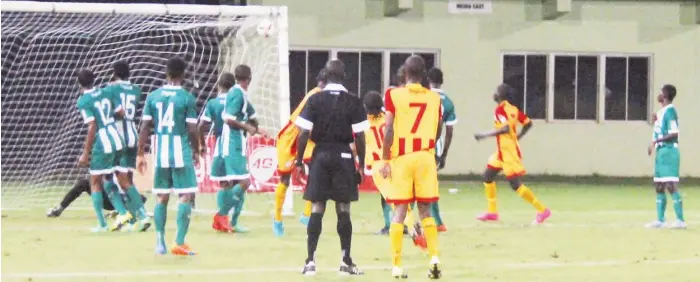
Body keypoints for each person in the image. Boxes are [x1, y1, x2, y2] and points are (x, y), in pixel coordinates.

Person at [295, 60, 366, 276]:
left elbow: (304, 133)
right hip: (344, 156)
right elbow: (360, 137)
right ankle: (346, 261)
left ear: (325, 75)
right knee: (343, 208)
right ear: (344, 75)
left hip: (321, 156)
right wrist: (360, 165)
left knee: (317, 207)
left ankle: (310, 262)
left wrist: (299, 161)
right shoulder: (353, 101)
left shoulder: (315, 99)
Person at [379, 55, 442, 279]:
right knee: (425, 210)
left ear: (404, 72)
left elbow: (388, 129)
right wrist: (431, 148)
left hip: (403, 157)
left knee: (399, 211)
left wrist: (385, 159)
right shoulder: (435, 98)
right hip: (425, 156)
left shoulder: (393, 94)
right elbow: (439, 126)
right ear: (424, 74)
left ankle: (397, 266)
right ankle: (434, 258)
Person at [136, 57, 201, 255]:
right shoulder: (187, 98)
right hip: (180, 151)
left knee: (161, 197)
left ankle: (160, 243)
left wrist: (140, 154)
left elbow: (145, 126)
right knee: (185, 195)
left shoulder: (153, 96)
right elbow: (192, 129)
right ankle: (179, 242)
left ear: (166, 73)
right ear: (183, 74)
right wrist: (196, 150)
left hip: (161, 152)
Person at [474, 84, 551, 224]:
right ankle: (492, 212)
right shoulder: (513, 109)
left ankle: (542, 210)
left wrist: (485, 135)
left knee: (515, 185)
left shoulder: (500, 110)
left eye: (496, 91)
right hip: (502, 152)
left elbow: (505, 129)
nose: (494, 93)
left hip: (508, 152)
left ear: (499, 96)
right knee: (487, 176)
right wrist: (518, 137)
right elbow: (528, 123)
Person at [363, 90, 426, 250]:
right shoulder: (390, 120)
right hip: (396, 161)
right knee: (400, 199)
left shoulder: (364, 125)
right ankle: (407, 226)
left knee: (395, 201)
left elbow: (359, 146)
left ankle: (410, 228)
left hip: (380, 166)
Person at [75, 69, 133, 232]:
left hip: (104, 142)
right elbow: (120, 112)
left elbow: (92, 125)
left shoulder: (83, 101)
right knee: (109, 177)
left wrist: (85, 153)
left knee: (95, 181)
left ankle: (102, 224)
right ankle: (124, 214)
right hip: (117, 138)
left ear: (79, 84)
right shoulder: (106, 92)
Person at [272, 71, 325, 237]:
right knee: (285, 180)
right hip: (291, 137)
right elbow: (305, 125)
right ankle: (277, 219)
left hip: (307, 137)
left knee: (316, 170)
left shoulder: (320, 95)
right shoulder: (316, 95)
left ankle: (307, 214)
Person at [102, 60, 151, 231]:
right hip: (133, 135)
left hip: (118, 137)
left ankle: (127, 215)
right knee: (128, 180)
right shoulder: (136, 89)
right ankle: (137, 217)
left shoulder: (110, 89)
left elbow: (114, 110)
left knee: (109, 178)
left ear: (114, 73)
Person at [220, 64, 261, 233]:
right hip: (232, 143)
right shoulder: (236, 93)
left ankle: (233, 222)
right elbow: (229, 119)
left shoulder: (241, 95)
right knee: (244, 181)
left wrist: (258, 128)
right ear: (249, 79)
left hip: (238, 143)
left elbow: (252, 118)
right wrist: (248, 128)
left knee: (237, 182)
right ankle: (221, 214)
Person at [199, 72, 236, 233]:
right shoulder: (237, 100)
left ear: (219, 86)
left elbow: (201, 126)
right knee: (235, 183)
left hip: (220, 144)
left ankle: (223, 219)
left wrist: (201, 144)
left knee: (224, 183)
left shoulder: (213, 103)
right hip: (234, 144)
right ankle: (224, 218)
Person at [645, 84, 685, 229]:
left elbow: (674, 133)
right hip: (661, 152)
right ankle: (660, 220)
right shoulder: (662, 112)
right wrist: (656, 122)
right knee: (659, 186)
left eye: (660, 92)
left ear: (666, 95)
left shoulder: (670, 111)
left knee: (671, 185)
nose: (659, 94)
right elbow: (662, 129)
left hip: (669, 151)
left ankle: (680, 221)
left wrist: (657, 141)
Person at [427, 67, 456, 233]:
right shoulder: (448, 102)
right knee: (429, 184)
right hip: (435, 148)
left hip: (417, 146)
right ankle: (437, 222)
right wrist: (444, 154)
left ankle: (404, 221)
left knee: (415, 184)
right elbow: (449, 132)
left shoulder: (424, 97)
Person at [46, 178, 147, 221]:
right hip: (106, 197)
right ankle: (59, 208)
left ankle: (130, 212)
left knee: (140, 197)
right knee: (84, 183)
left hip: (120, 198)